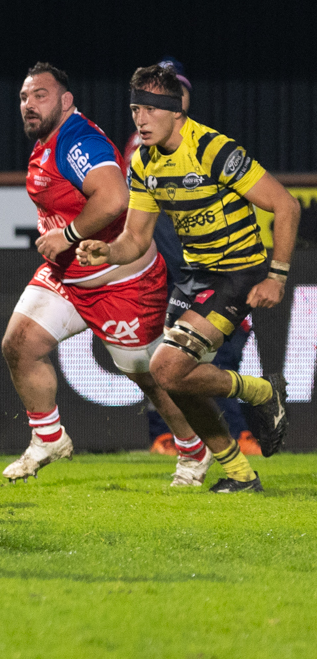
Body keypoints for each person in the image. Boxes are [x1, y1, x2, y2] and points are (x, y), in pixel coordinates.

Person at [78, 64, 299, 492]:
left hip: (238, 270)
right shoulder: (142, 162)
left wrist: (277, 276)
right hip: (194, 275)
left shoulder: (212, 148)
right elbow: (136, 238)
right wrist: (108, 251)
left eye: (148, 110)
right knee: (174, 380)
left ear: (175, 111)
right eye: (134, 109)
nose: (139, 120)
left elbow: (286, 206)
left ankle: (259, 391)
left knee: (166, 369)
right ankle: (240, 474)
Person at [1, 63, 209, 487]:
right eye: (24, 97)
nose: (29, 104)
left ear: (66, 101)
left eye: (40, 95)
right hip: (69, 276)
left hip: (121, 282)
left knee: (151, 378)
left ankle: (194, 452)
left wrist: (70, 234)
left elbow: (114, 198)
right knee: (19, 344)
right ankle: (48, 437)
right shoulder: (49, 142)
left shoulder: (78, 140)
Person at [118, 59, 260, 458]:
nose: (146, 115)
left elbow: (278, 204)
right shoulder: (143, 150)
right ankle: (171, 434)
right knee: (165, 360)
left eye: (177, 91)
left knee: (218, 351)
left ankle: (236, 430)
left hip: (223, 268)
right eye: (140, 107)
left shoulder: (205, 145)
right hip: (173, 272)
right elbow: (139, 227)